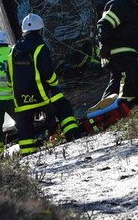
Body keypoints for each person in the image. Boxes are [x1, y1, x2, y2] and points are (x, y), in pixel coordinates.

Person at [11, 14, 84, 153]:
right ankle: (73, 135)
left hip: (21, 98)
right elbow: (47, 72)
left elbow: (9, 74)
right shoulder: (40, 46)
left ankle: (27, 152)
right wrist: (54, 83)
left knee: (25, 123)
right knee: (63, 106)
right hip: (42, 95)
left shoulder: (13, 49)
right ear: (41, 30)